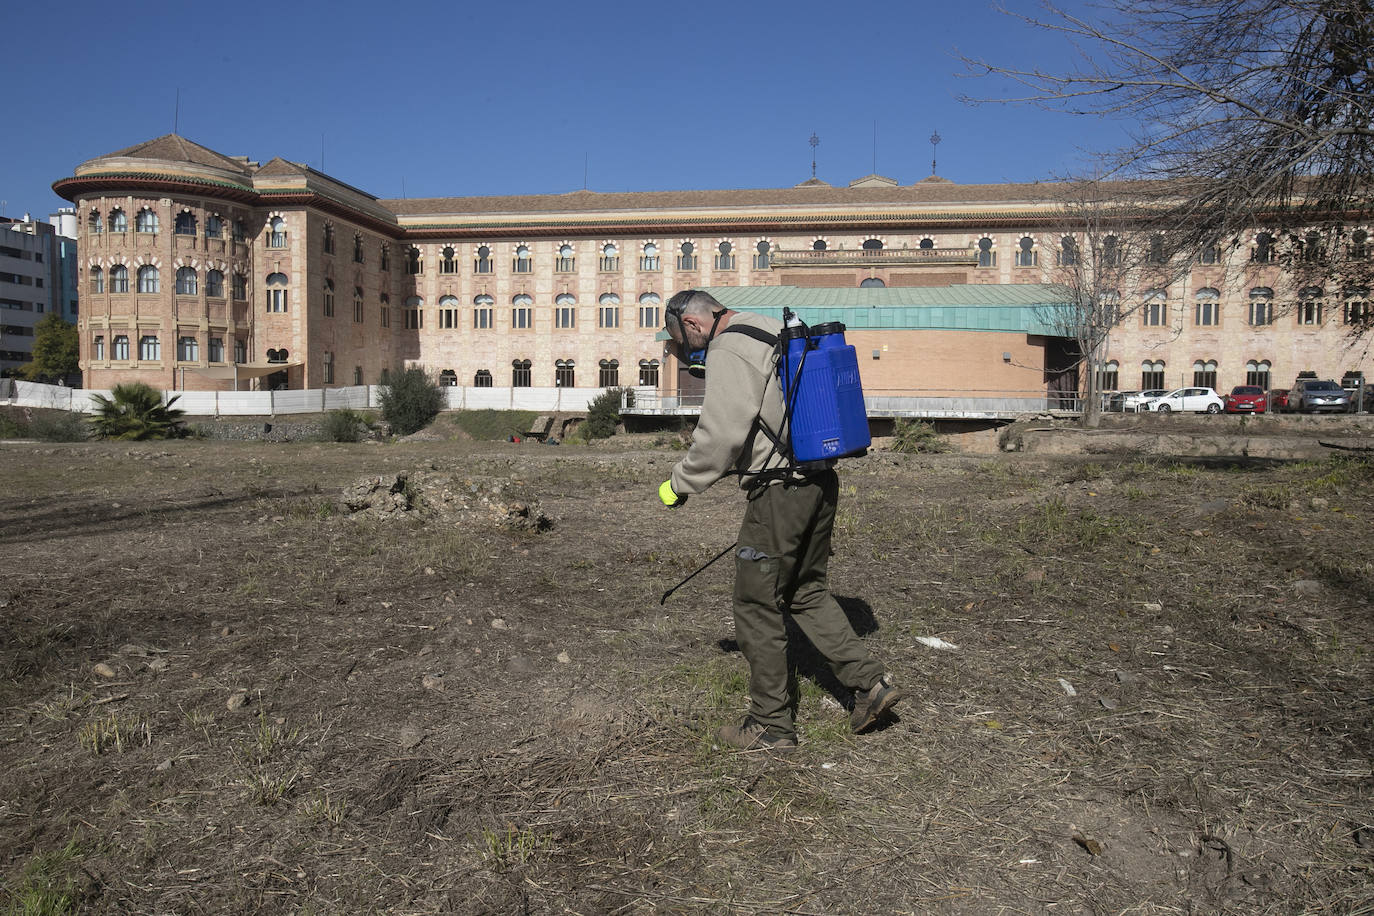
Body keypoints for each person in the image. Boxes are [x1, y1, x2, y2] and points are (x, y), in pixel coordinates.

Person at [657, 289, 903, 752]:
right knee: (806, 590)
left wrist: (680, 484)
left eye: (685, 342)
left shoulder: (727, 347)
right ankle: (869, 686)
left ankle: (771, 724)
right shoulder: (767, 327)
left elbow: (721, 433)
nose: (690, 353)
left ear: (693, 324)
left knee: (756, 603)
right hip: (819, 479)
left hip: (779, 491)